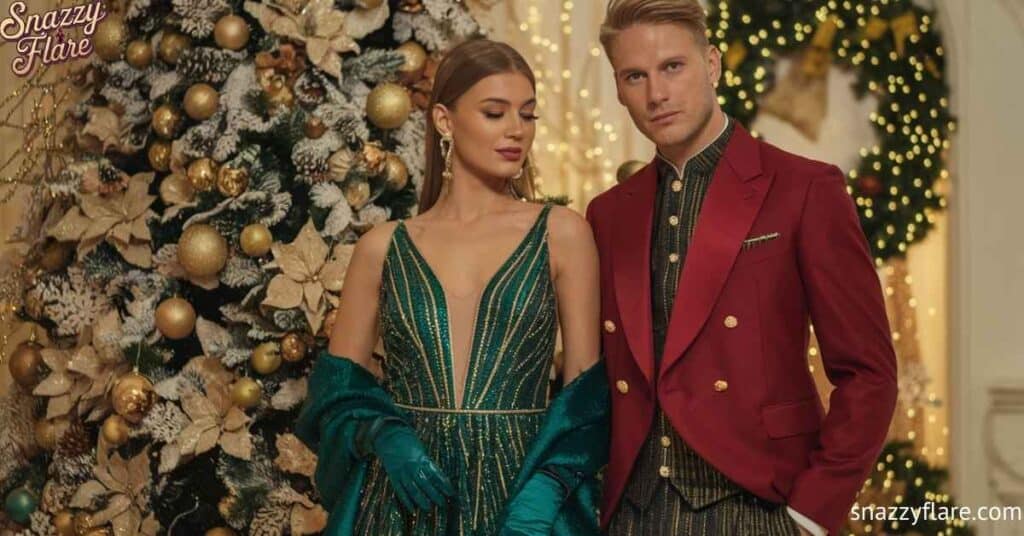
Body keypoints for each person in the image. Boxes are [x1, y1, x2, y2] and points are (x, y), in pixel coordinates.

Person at [586, 1, 899, 535]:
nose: (656, 94)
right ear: (617, 89)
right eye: (635, 76)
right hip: (633, 515)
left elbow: (869, 374)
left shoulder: (804, 189)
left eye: (673, 67)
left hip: (758, 508)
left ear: (712, 64)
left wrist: (808, 517)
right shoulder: (608, 214)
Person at [294, 38, 609, 536]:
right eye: (494, 113)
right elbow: (336, 394)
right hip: (403, 502)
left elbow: (587, 394)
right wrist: (382, 432)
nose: (516, 131)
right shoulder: (382, 247)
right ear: (444, 120)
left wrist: (548, 488)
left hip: (523, 501)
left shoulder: (562, 233)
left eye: (528, 116)